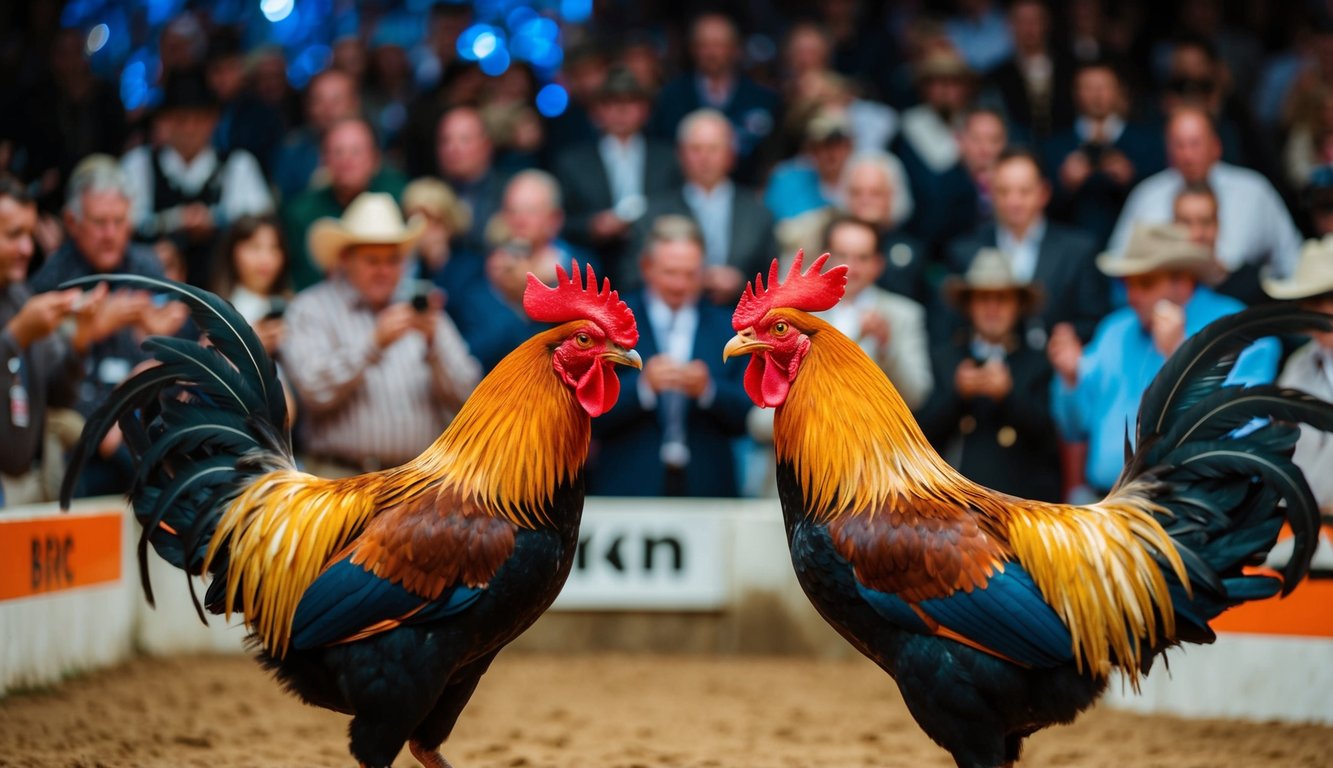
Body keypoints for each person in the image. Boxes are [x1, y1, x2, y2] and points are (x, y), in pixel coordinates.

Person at [1048, 223, 1280, 499]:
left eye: (1145, 283)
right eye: (1127, 283)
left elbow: (1242, 432)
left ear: (1182, 281)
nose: (1133, 296)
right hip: (1107, 505)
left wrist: (1180, 359)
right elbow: (1075, 426)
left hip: (1193, 507)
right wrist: (1070, 379)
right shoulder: (1115, 329)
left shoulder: (1237, 331)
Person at [281, 192, 479, 478]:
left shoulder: (424, 311)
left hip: (416, 484)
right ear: (345, 258)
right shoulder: (311, 309)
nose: (384, 271)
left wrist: (434, 346)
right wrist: (373, 345)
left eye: (393, 260)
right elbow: (314, 390)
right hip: (338, 481)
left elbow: (468, 396)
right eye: (372, 261)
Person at [29, 159, 191, 498]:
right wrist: (90, 331)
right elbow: (46, 378)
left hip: (145, 412)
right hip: (84, 424)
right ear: (72, 222)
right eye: (99, 223)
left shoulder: (146, 264)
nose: (110, 234)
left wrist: (162, 336)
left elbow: (179, 337)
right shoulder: (53, 279)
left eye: (119, 221)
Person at [588, 215, 749, 497]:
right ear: (647, 268)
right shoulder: (610, 324)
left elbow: (749, 412)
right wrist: (642, 388)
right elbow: (588, 411)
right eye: (670, 273)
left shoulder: (729, 327)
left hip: (709, 486)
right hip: (627, 485)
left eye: (690, 275)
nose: (679, 285)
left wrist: (708, 390)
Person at [917, 248, 1061, 502]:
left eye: (1002, 299)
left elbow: (1049, 438)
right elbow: (921, 434)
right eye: (983, 299)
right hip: (955, 502)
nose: (992, 309)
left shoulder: (1036, 361)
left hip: (1019, 503)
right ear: (969, 305)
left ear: (1018, 306)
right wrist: (957, 395)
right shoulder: (946, 357)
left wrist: (1008, 396)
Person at [0, 176, 108, 505]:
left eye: (30, 235)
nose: (27, 249)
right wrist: (17, 336)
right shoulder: (24, 310)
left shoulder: (20, 295)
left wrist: (80, 341)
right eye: (13, 235)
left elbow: (60, 393)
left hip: (26, 484)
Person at [1107, 107, 1302, 287]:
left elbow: (1291, 259)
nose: (1187, 155)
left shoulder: (1254, 191)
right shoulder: (1146, 195)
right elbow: (1118, 262)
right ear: (1167, 150)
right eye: (1179, 145)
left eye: (1195, 143)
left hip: (1245, 301)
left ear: (1216, 146)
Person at [120, 68, 274, 287]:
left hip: (227, 292)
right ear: (164, 122)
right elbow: (120, 225)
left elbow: (261, 225)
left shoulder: (238, 165)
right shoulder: (139, 164)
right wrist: (174, 220)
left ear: (214, 121)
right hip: (152, 288)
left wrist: (214, 220)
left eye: (199, 119)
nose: (190, 129)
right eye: (181, 119)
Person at [947, 148, 1108, 344]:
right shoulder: (965, 251)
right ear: (990, 193)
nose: (1013, 201)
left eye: (1024, 191)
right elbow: (951, 326)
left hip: (1053, 369)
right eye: (1003, 191)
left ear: (1044, 193)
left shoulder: (1078, 250)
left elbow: (1094, 321)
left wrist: (1065, 340)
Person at [630, 109, 776, 304]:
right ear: (681, 155)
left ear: (731, 155)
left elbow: (772, 281)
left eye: (714, 149)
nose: (705, 157)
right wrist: (691, 280)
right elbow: (631, 276)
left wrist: (741, 283)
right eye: (696, 149)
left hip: (743, 319)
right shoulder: (653, 212)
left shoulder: (758, 212)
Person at [554, 66, 679, 288]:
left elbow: (680, 207)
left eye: (630, 101)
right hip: (594, 269)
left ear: (645, 110)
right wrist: (592, 226)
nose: (621, 110)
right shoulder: (572, 161)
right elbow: (560, 220)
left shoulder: (668, 159)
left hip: (657, 268)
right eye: (611, 102)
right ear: (596, 111)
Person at [1043, 59, 1165, 247]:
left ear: (1119, 91)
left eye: (1104, 87)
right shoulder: (1056, 145)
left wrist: (1132, 178)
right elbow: (1041, 204)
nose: (1097, 95)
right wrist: (1065, 183)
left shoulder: (1146, 141)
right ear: (1075, 94)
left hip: (1133, 247)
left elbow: (1161, 195)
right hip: (1072, 251)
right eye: (1088, 88)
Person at [648, 13, 780, 185]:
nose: (711, 53)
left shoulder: (763, 99)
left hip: (747, 197)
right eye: (704, 46)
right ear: (692, 49)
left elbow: (771, 159)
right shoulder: (670, 97)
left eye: (719, 45)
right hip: (681, 195)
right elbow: (661, 153)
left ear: (735, 49)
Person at [816, 216, 933, 410]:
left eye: (862, 258)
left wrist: (886, 346)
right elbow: (761, 420)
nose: (850, 268)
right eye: (841, 256)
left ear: (878, 264)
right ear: (823, 258)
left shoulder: (904, 315)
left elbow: (916, 397)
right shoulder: (801, 314)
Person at [281, 117, 408, 290]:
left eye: (356, 151)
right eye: (338, 152)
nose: (347, 160)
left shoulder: (398, 200)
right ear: (324, 160)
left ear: (375, 159)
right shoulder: (299, 213)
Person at [1262, 235, 1333, 514]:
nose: (1310, 312)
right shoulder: (1298, 365)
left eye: (1321, 300)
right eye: (1307, 302)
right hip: (1298, 527)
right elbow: (1277, 449)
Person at [986, 0, 1075, 140]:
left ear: (1047, 23)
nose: (1029, 27)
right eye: (1022, 21)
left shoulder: (1071, 68)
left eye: (1035, 20)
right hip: (1017, 149)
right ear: (1009, 25)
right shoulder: (996, 75)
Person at [271, 68, 362, 201]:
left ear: (354, 104)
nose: (327, 109)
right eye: (318, 100)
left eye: (336, 101)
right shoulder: (293, 149)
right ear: (307, 107)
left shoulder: (370, 143)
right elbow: (283, 205)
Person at [435, 106, 506, 255]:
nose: (453, 148)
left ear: (486, 145)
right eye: (445, 141)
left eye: (464, 140)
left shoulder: (508, 195)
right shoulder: (431, 199)